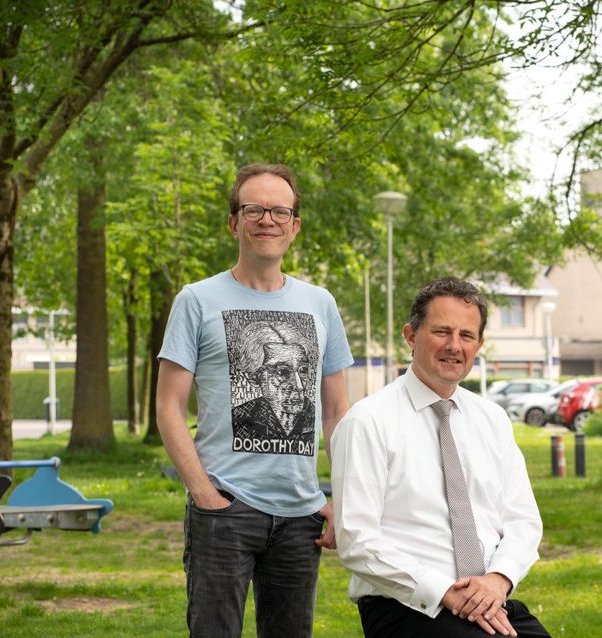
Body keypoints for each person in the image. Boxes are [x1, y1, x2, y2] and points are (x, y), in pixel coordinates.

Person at [156, 163, 353, 638]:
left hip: (301, 514)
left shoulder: (320, 303)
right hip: (226, 507)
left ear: (294, 225)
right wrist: (205, 494)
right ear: (234, 222)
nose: (268, 219)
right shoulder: (196, 300)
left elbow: (336, 412)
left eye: (279, 211)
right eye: (254, 209)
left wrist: (340, 497)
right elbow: (168, 406)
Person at [331, 277, 550, 638]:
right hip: (407, 606)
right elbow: (357, 540)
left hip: (489, 600)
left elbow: (523, 520)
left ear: (479, 345)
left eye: (466, 336)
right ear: (411, 336)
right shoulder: (368, 421)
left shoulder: (492, 419)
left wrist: (497, 580)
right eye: (442, 331)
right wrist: (444, 591)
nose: (454, 346)